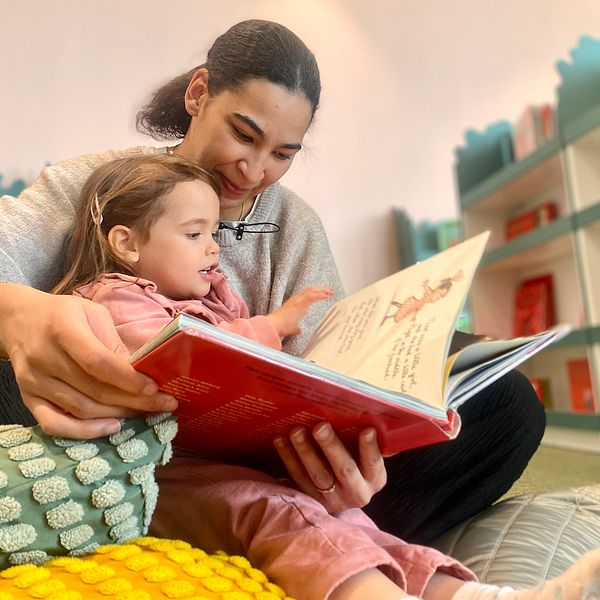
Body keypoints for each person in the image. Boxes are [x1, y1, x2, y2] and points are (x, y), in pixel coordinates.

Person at [0, 17, 588, 598]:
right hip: (88, 446)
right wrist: (19, 315)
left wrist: (348, 458)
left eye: (283, 153)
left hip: (258, 469)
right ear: (199, 94)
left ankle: (318, 542)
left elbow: (322, 366)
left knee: (500, 402)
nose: (254, 171)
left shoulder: (296, 228)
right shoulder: (100, 187)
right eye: (244, 134)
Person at [50, 147, 600, 600]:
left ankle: (488, 598)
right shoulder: (114, 299)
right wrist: (274, 325)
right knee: (283, 513)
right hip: (169, 478)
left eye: (215, 233)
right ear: (125, 242)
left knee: (353, 524)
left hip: (250, 464)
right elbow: (181, 352)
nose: (214, 248)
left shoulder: (225, 287)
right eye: (195, 235)